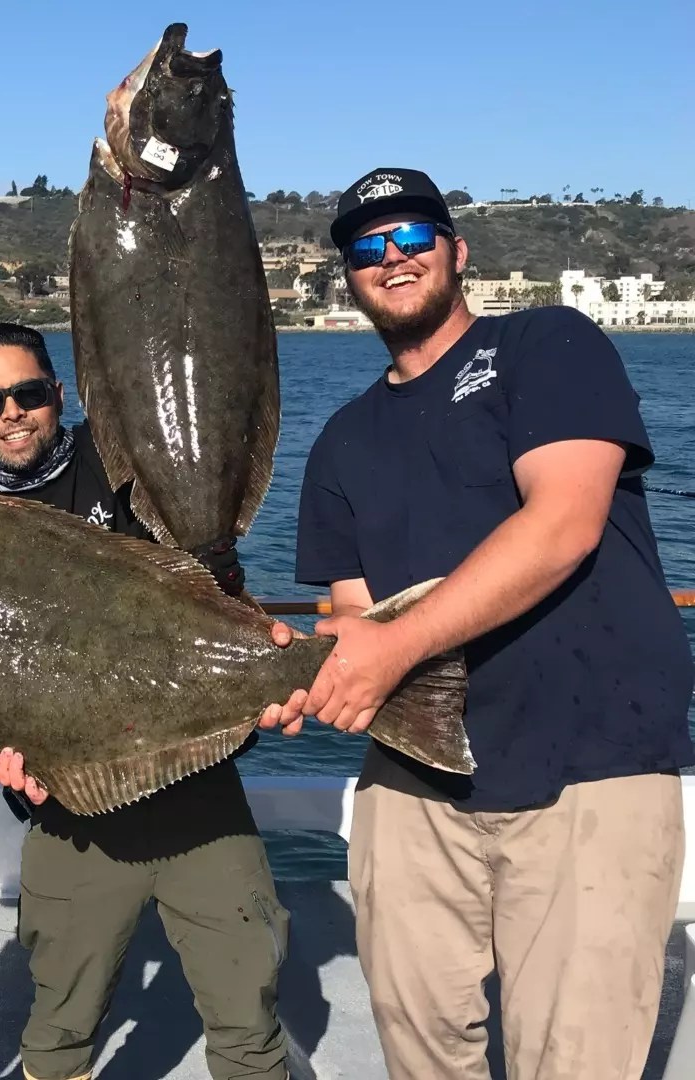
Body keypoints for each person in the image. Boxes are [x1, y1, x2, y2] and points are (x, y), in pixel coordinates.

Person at [259, 167, 695, 1080]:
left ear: (458, 252)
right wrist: (290, 679)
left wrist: (386, 648)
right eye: (367, 248)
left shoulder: (549, 344)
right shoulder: (341, 439)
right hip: (415, 784)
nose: (393, 258)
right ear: (347, 276)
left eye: (413, 236)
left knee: (573, 1061)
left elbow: (565, 523)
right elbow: (350, 617)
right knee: (421, 1048)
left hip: (591, 767)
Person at [0, 322, 290, 1080]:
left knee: (248, 1020)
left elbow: (211, 569)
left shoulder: (132, 470)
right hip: (71, 814)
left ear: (59, 396)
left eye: (29, 394)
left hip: (197, 794)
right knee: (57, 1033)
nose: (12, 412)